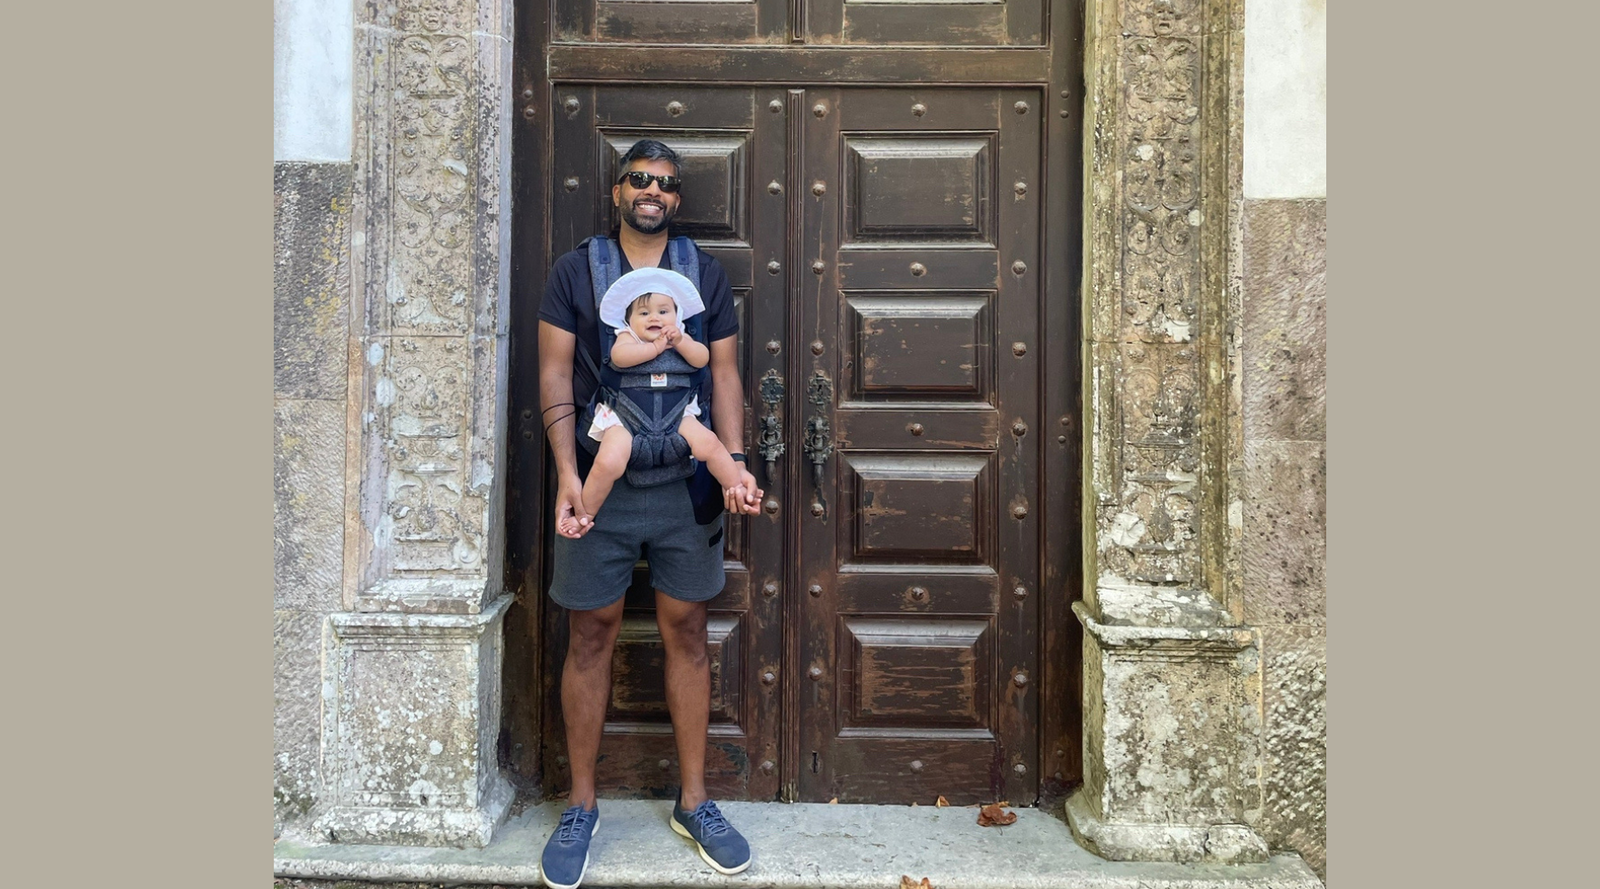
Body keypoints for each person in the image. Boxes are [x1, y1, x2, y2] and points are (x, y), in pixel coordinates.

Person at [536, 138, 763, 889]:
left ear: (675, 195)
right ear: (616, 189)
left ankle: (695, 801)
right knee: (591, 633)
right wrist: (570, 471)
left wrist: (733, 465)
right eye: (640, 178)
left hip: (685, 487)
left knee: (688, 631)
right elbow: (556, 370)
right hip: (603, 480)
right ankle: (581, 803)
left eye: (666, 182)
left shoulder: (704, 273)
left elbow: (723, 371)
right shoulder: (578, 270)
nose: (652, 191)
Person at [557, 268, 748, 539]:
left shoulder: (681, 337)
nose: (654, 317)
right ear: (629, 320)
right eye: (644, 313)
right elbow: (620, 357)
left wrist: (680, 342)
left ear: (677, 316)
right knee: (609, 460)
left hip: (676, 414)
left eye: (663, 311)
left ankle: (735, 486)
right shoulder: (627, 337)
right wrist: (654, 349)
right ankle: (585, 514)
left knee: (710, 445)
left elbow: (702, 358)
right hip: (625, 417)